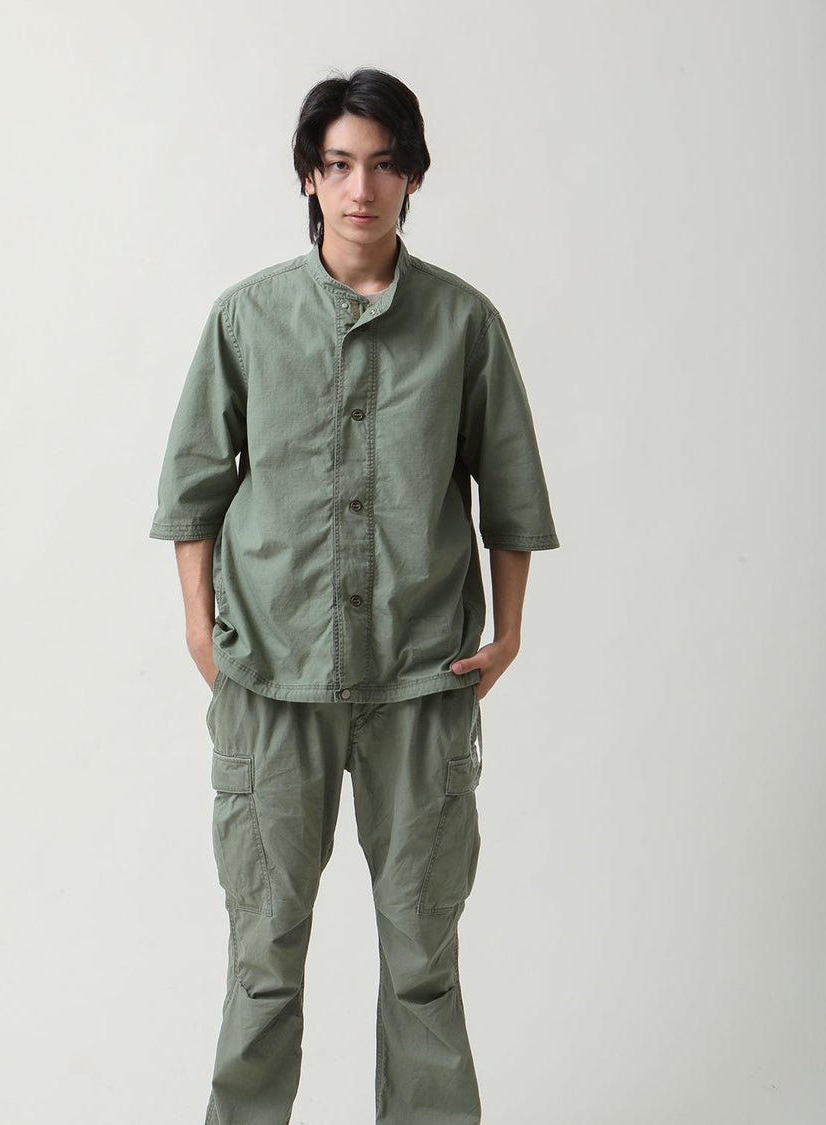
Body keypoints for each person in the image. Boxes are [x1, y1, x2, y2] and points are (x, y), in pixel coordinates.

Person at [149, 66, 560, 1125]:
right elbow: (194, 490)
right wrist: (200, 629)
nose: (360, 188)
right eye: (338, 165)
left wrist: (510, 633)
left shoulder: (464, 323)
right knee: (263, 961)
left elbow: (510, 494)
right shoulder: (247, 319)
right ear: (309, 177)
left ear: (414, 176)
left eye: (383, 165)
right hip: (269, 682)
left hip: (422, 681)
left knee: (422, 961)